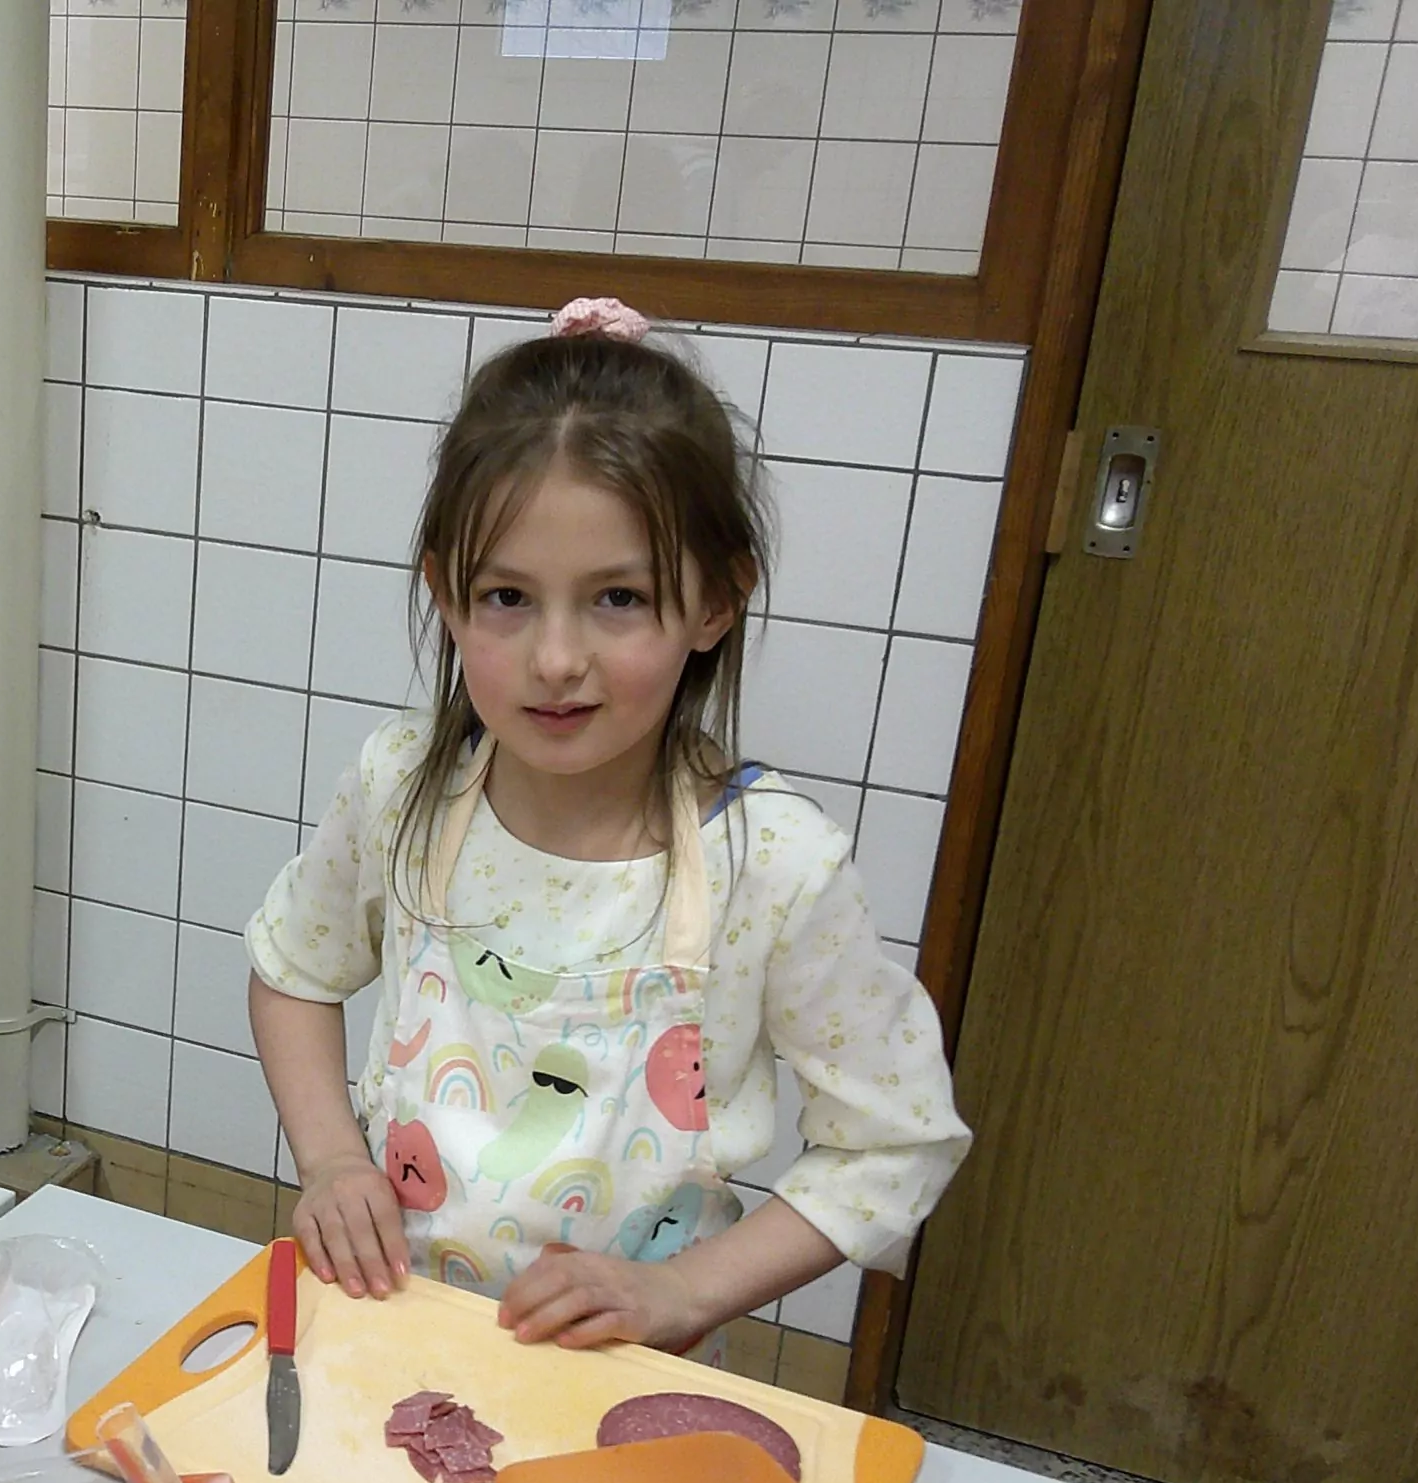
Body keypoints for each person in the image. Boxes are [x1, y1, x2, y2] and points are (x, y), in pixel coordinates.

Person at [247, 297, 970, 1355]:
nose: (555, 658)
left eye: (617, 599)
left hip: (619, 1372)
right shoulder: (401, 785)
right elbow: (292, 974)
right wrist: (331, 1162)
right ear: (444, 596)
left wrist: (682, 1294)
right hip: (389, 1333)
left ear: (716, 603)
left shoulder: (771, 864)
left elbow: (892, 1146)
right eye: (506, 596)